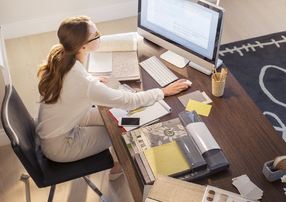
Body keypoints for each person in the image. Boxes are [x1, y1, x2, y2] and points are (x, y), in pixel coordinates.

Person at [36, 16, 190, 180]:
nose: (100, 36)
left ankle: (117, 164)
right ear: (83, 46)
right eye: (96, 35)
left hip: (65, 123)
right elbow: (129, 101)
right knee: (120, 132)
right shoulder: (84, 84)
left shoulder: (59, 54)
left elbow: (73, 88)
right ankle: (117, 168)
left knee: (118, 119)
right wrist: (163, 92)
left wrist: (92, 83)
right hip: (60, 145)